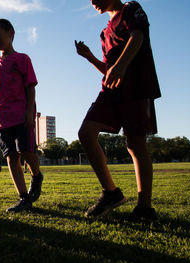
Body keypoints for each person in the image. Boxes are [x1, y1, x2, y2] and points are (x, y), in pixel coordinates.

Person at [75, 0, 161, 221]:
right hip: (111, 92)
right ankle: (111, 193)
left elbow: (137, 36)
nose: (92, 2)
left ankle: (144, 208)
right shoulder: (104, 33)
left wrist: (122, 65)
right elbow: (108, 69)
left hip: (136, 88)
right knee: (86, 132)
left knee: (135, 145)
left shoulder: (130, 9)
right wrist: (90, 57)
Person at [0, 18, 44, 212]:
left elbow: (31, 87)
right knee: (10, 156)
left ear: (10, 34)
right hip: (1, 120)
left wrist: (30, 111)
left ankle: (36, 175)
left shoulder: (22, 59)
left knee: (27, 152)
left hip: (21, 115)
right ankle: (23, 198)